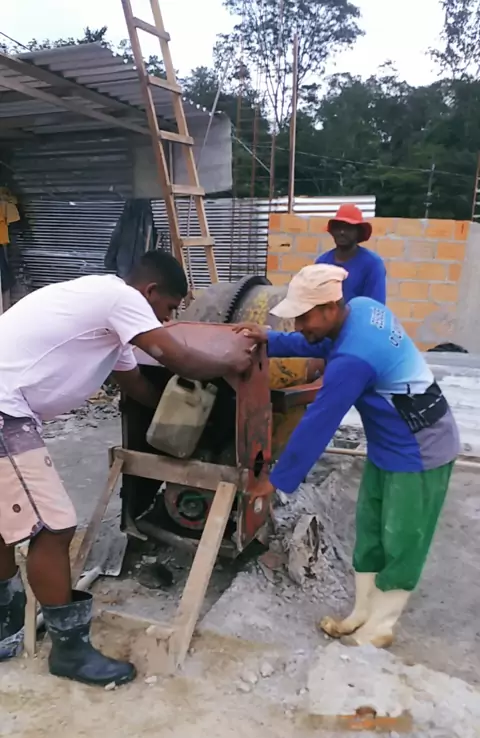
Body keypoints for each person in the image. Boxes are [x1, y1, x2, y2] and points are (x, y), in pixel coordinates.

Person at [0, 250, 254, 686]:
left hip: (9, 407)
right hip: (5, 411)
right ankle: (70, 651)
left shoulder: (106, 319)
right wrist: (233, 362)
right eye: (169, 307)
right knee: (54, 526)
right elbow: (179, 360)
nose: (168, 319)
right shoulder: (121, 299)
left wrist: (184, 428)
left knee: (7, 521)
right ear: (150, 291)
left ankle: (6, 623)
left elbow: (136, 386)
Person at [236, 264, 459, 649]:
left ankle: (381, 626)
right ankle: (361, 612)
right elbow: (319, 343)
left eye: (304, 317)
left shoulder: (354, 359)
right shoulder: (361, 310)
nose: (299, 325)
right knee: (370, 528)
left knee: (403, 536)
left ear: (330, 307)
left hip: (422, 447)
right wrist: (269, 339)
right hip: (388, 443)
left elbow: (318, 423)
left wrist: (275, 480)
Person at [316, 203, 386, 304]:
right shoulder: (322, 262)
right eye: (338, 227)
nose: (342, 232)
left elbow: (375, 307)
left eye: (348, 228)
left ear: (358, 232)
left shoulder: (372, 264)